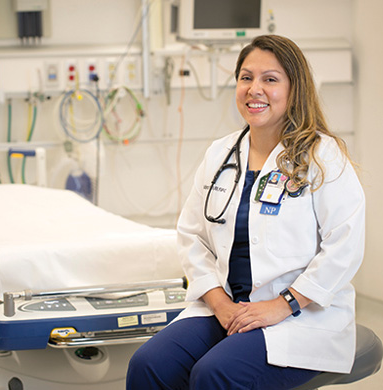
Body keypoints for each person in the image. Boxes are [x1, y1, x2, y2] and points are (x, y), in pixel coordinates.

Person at [127, 35, 365, 390]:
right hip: (228, 307)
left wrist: (283, 304)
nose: (255, 89)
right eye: (246, 77)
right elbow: (192, 236)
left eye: (270, 79)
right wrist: (220, 303)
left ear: (294, 88)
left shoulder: (322, 156)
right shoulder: (220, 154)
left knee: (215, 374)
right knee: (148, 364)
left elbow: (344, 246)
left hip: (299, 315)